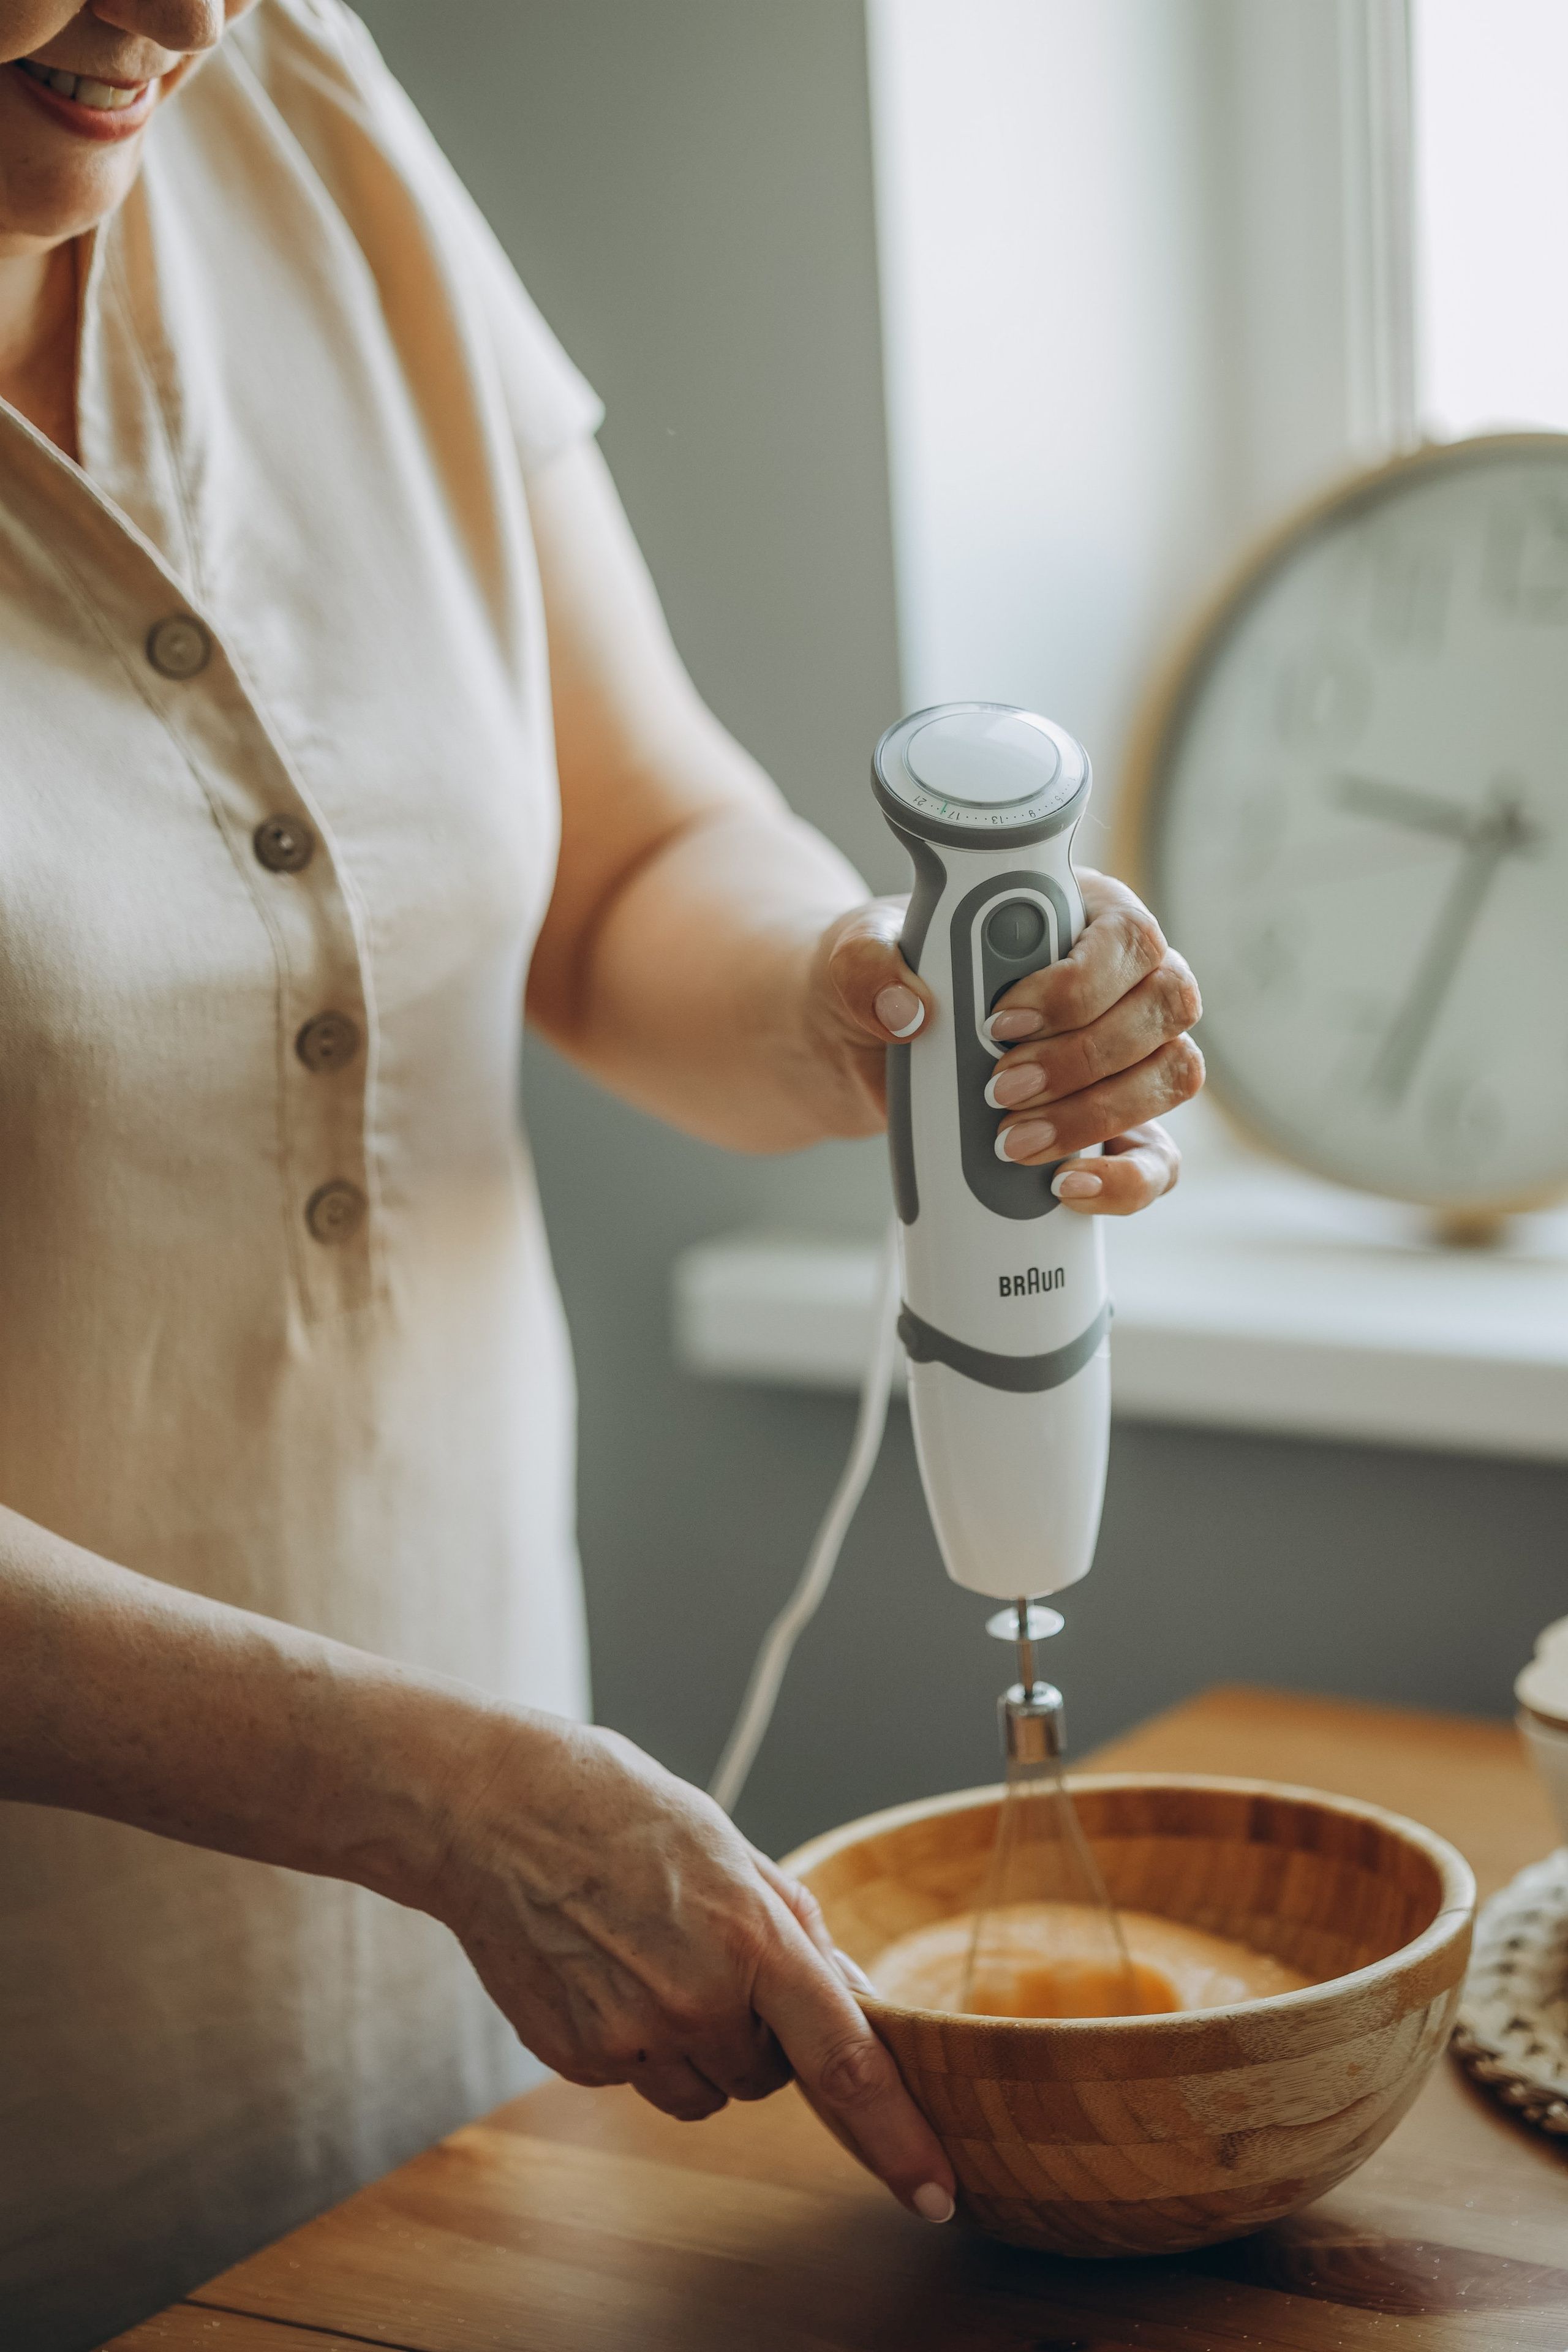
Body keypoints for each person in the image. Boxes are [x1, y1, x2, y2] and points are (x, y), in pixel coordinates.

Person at [0, 2, 1204, 2342]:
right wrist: (443, 1804)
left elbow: (630, 851)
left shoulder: (298, 109)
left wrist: (876, 992)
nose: (182, 18)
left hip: (468, 2027)